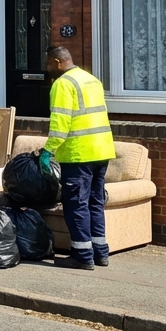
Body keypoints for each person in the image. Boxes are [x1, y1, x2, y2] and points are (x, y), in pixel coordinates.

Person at [44, 46, 116, 270]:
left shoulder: (63, 83)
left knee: (76, 205)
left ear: (57, 62)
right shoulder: (92, 80)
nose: (47, 68)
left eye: (48, 63)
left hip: (78, 154)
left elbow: (60, 124)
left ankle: (82, 255)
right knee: (95, 202)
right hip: (101, 150)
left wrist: (47, 151)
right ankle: (100, 253)